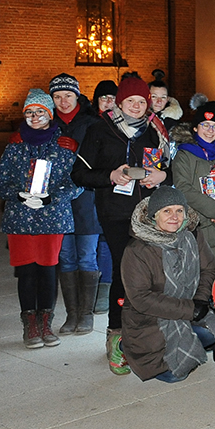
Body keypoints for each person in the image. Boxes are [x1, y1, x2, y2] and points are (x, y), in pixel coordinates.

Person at [72, 74, 173, 375]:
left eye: (142, 101)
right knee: (125, 271)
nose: (137, 106)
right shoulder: (100, 130)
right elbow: (79, 174)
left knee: (153, 274)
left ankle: (148, 334)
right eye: (131, 101)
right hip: (115, 212)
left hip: (147, 212)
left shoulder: (154, 131)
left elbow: (167, 166)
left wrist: (162, 176)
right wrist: (110, 177)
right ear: (120, 102)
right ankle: (116, 336)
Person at [0, 89, 79, 348]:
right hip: (20, 219)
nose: (35, 116)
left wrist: (52, 197)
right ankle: (30, 323)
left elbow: (76, 182)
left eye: (40, 111)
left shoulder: (65, 145)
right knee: (27, 271)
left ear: (49, 114)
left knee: (48, 271)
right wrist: (16, 195)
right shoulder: (15, 144)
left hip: (51, 217)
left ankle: (46, 322)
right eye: (29, 112)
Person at [120, 186, 215, 382]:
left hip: (187, 310)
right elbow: (141, 298)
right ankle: (126, 345)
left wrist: (200, 300)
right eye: (167, 211)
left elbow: (209, 269)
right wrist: (190, 309)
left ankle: (188, 339)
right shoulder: (137, 249)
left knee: (211, 334)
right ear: (153, 215)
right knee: (175, 376)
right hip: (150, 323)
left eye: (179, 210)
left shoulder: (192, 235)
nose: (174, 217)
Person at [48, 73, 102, 336]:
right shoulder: (48, 123)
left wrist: (77, 147)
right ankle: (71, 315)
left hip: (86, 201)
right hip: (58, 202)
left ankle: (87, 315)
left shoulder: (92, 123)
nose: (63, 101)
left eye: (68, 95)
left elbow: (102, 159)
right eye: (57, 97)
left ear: (77, 95)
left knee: (87, 256)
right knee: (66, 257)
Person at [172, 95, 215, 257]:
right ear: (195, 127)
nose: (211, 131)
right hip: (197, 227)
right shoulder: (184, 155)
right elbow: (184, 189)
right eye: (206, 125)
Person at [90, 78, 119, 316]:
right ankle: (93, 287)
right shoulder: (91, 125)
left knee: (107, 242)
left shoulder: (122, 126)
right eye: (104, 99)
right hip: (91, 190)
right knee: (94, 242)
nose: (108, 103)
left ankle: (106, 286)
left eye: (112, 98)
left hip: (114, 193)